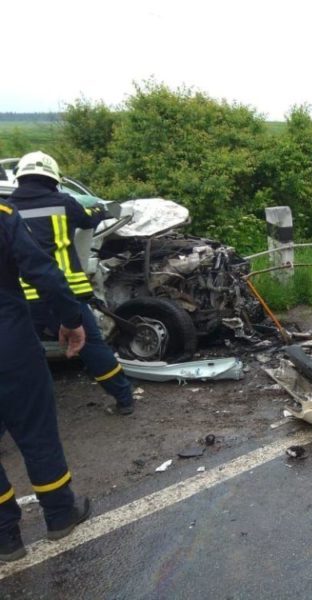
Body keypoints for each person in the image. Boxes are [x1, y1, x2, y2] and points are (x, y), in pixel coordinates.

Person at [0, 199, 92, 562]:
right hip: (10, 345)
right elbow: (43, 272)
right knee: (36, 429)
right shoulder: (3, 216)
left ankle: (6, 537)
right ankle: (59, 514)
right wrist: (71, 317)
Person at [10, 151, 135, 416]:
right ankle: (124, 398)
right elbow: (91, 217)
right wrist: (101, 208)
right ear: (53, 178)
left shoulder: (7, 209)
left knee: (18, 356)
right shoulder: (64, 203)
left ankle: (17, 416)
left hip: (21, 297)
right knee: (92, 347)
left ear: (20, 177)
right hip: (65, 294)